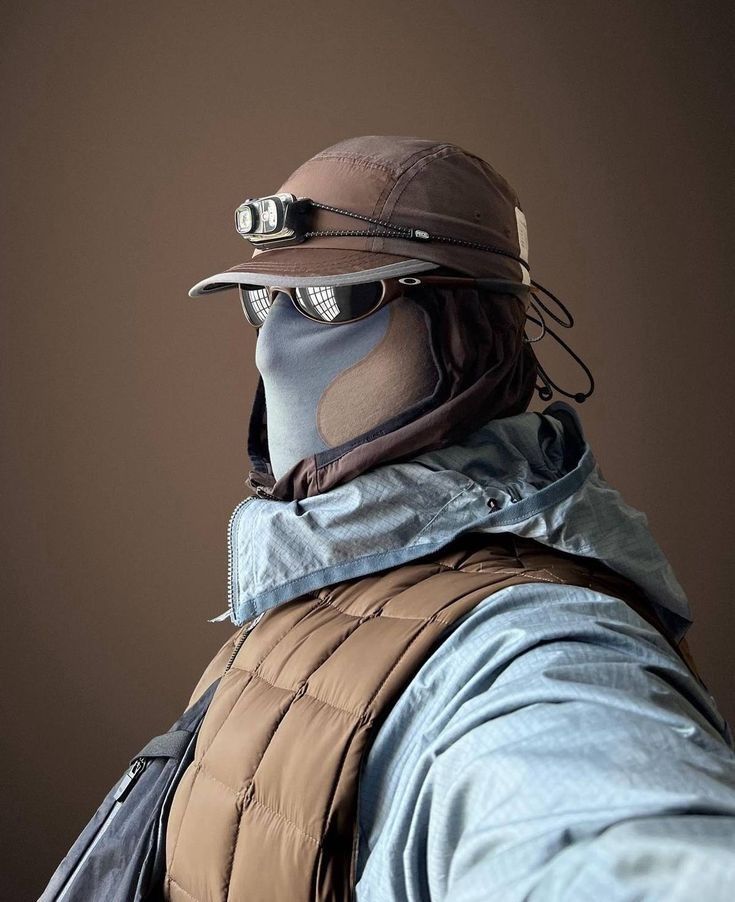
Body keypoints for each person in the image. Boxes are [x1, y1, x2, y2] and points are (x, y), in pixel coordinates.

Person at [163, 136, 735, 902]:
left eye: (335, 299)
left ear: (465, 330)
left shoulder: (531, 648)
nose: (272, 349)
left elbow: (601, 831)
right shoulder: (316, 586)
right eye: (267, 299)